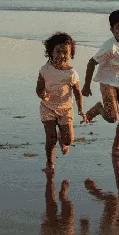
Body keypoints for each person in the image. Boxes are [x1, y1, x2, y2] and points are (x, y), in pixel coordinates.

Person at [82, 10, 119, 160]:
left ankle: (116, 148)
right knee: (112, 117)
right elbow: (91, 63)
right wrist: (86, 86)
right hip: (107, 82)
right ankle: (98, 108)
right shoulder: (109, 47)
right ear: (112, 30)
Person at [36, 32, 87, 173]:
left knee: (69, 140)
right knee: (50, 138)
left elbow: (77, 92)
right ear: (50, 52)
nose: (62, 55)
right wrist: (42, 94)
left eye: (65, 52)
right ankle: (50, 164)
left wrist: (80, 109)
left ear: (71, 54)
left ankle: (63, 140)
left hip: (65, 109)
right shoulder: (45, 70)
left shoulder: (71, 73)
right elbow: (39, 88)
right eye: (58, 51)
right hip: (48, 108)